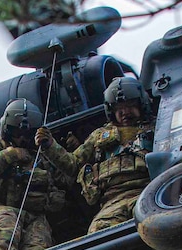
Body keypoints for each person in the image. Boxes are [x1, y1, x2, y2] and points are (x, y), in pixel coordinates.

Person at [36, 76, 155, 234]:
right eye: (119, 109)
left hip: (148, 190)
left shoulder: (156, 127)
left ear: (142, 104)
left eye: (130, 105)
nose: (125, 112)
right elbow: (73, 164)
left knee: (155, 222)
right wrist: (49, 145)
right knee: (98, 233)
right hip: (113, 199)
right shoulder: (100, 135)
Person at [0, 99, 66, 250]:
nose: (21, 139)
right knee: (6, 227)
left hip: (36, 214)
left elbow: (63, 179)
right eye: (16, 133)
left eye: (26, 135)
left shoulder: (41, 155)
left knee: (39, 248)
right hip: (3, 207)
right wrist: (10, 155)